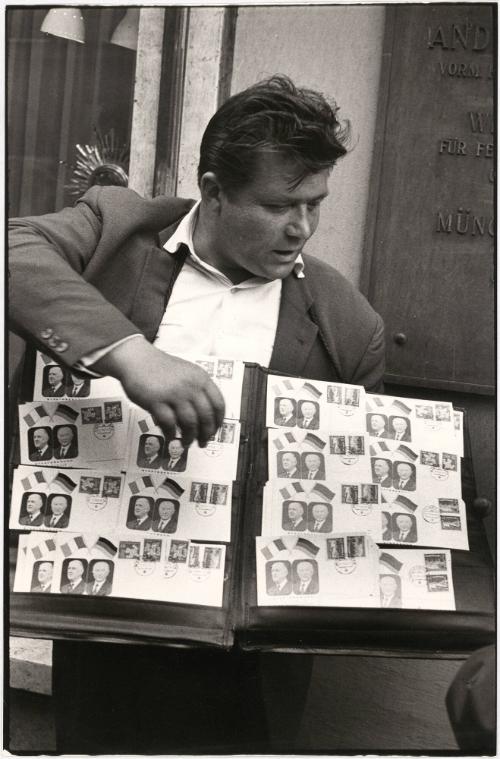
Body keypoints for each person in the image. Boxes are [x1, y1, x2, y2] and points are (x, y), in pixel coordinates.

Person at [10, 76, 385, 753]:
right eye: (279, 205)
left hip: (252, 663)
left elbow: (351, 512)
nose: (301, 227)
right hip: (108, 628)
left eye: (315, 204)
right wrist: (129, 354)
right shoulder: (117, 229)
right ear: (213, 191)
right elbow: (14, 252)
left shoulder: (350, 325)